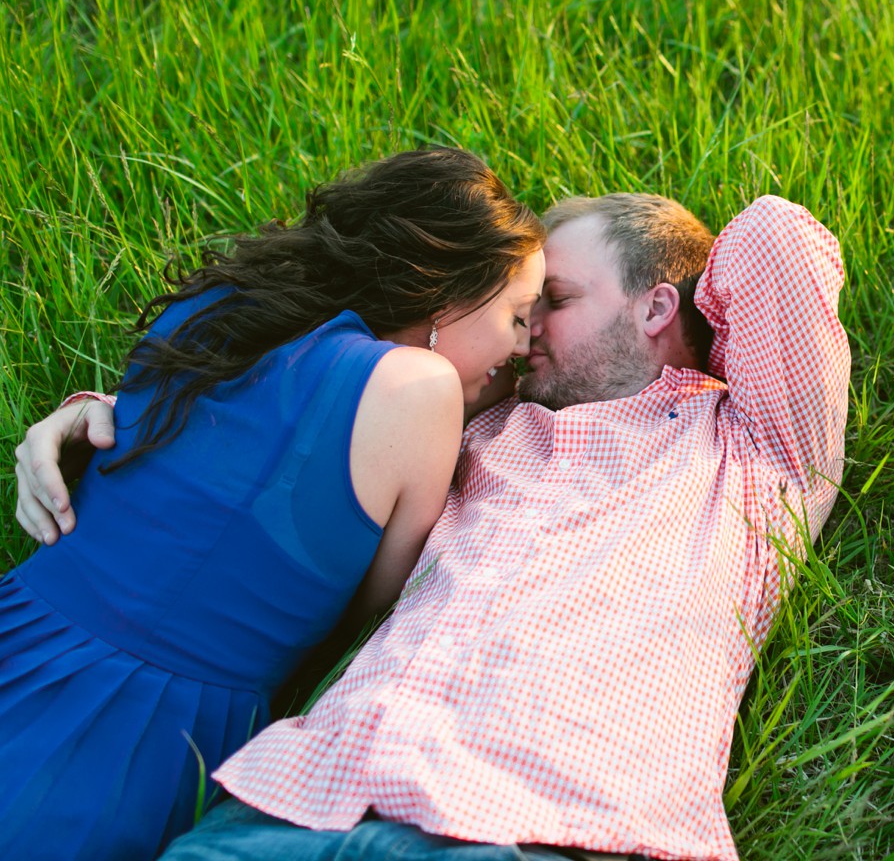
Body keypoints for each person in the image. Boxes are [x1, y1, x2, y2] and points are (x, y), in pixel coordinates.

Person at [16, 191, 849, 861]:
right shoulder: (474, 429)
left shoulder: (754, 454)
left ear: (657, 305)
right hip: (294, 809)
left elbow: (777, 236)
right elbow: (278, 425)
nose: (525, 339)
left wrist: (697, 305)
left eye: (551, 303)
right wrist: (104, 414)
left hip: (547, 829)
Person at [1, 147, 547, 861]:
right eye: (516, 314)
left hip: (26, 626)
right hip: (149, 723)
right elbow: (370, 604)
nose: (523, 344)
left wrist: (78, 412)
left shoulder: (223, 307)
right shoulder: (420, 387)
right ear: (447, 296)